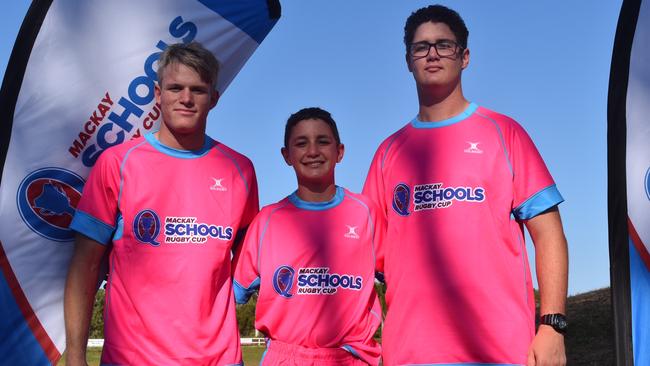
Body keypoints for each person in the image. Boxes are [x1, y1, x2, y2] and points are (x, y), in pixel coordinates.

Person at [362, 5, 568, 366]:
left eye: (444, 44)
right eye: (421, 47)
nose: (432, 54)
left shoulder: (504, 133)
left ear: (465, 57)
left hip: (501, 351)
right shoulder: (388, 153)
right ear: (408, 60)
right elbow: (371, 261)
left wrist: (552, 326)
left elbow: (549, 233)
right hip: (411, 353)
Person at [64, 42, 258, 365]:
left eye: (197, 89)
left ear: (214, 98)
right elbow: (84, 266)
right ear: (157, 93)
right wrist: (74, 355)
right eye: (175, 88)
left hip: (218, 359)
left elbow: (249, 261)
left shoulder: (240, 170)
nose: (185, 98)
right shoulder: (118, 163)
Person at [232, 107, 384, 366]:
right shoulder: (267, 221)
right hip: (285, 357)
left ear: (340, 151)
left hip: (349, 357)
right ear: (286, 155)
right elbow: (230, 298)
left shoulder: (367, 213)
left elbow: (400, 283)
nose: (313, 151)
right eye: (301, 143)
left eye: (323, 141)